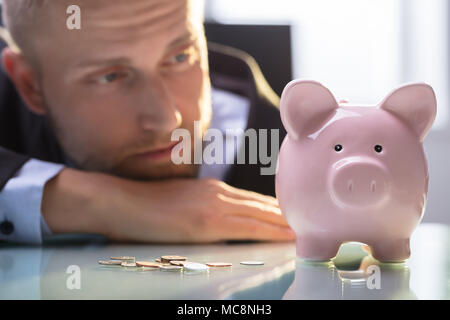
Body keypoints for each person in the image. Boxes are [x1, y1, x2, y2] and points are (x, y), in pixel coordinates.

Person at [0, 0, 294, 244]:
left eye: (180, 57)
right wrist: (104, 204)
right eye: (109, 76)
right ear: (31, 85)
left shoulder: (289, 153)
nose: (168, 120)